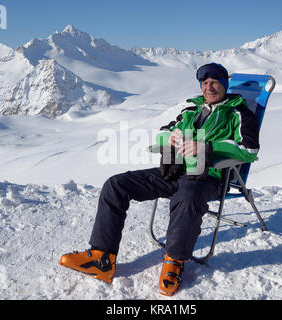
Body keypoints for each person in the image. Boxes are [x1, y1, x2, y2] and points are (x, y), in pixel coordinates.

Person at [59, 63, 260, 296]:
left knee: (186, 197)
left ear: (224, 85)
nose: (209, 87)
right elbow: (165, 130)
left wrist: (207, 147)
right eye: (204, 83)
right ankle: (101, 258)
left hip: (208, 177)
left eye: (214, 82)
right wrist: (170, 138)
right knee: (116, 185)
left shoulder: (239, 112)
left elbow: (249, 150)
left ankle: (174, 261)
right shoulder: (191, 110)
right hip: (174, 171)